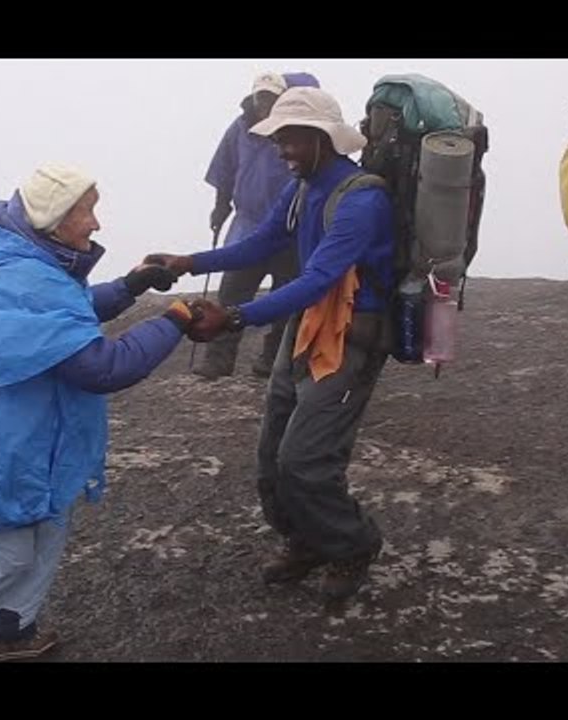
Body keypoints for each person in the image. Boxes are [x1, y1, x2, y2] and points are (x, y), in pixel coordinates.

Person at [0, 164, 198, 660]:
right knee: (7, 552)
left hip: (24, 439)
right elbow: (99, 367)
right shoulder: (7, 282)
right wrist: (175, 321)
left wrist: (129, 286)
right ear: (52, 219)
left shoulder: (15, 258)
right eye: (85, 211)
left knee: (46, 529)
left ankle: (4, 629)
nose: (96, 223)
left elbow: (61, 311)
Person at [146, 87, 395, 602]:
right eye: (279, 140)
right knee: (270, 455)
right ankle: (304, 539)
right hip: (307, 327)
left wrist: (236, 316)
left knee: (305, 458)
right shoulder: (304, 186)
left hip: (351, 335)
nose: (281, 151)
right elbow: (261, 243)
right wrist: (187, 262)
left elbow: (321, 277)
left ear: (323, 139)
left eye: (290, 141)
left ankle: (354, 544)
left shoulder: (362, 198)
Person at [196, 71, 320, 380]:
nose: (263, 102)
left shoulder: (294, 129)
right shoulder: (240, 128)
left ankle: (271, 361)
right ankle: (218, 361)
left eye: (269, 96)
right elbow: (225, 169)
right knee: (232, 293)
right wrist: (220, 207)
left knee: (287, 296)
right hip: (248, 225)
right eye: (259, 96)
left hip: (289, 229)